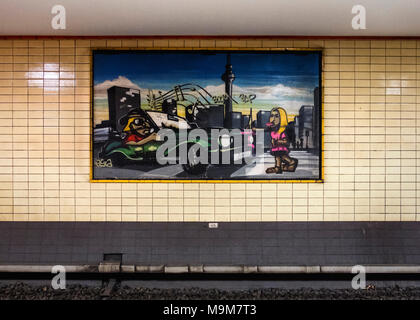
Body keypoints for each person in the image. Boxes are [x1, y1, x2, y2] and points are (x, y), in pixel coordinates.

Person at [265, 107, 298, 174]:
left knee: (281, 156)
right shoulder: (273, 130)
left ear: (282, 118)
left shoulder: (283, 131)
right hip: (276, 148)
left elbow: (286, 142)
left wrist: (278, 141)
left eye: (277, 116)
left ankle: (290, 163)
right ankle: (278, 167)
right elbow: (265, 129)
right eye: (272, 116)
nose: (273, 119)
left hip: (281, 148)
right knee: (278, 156)